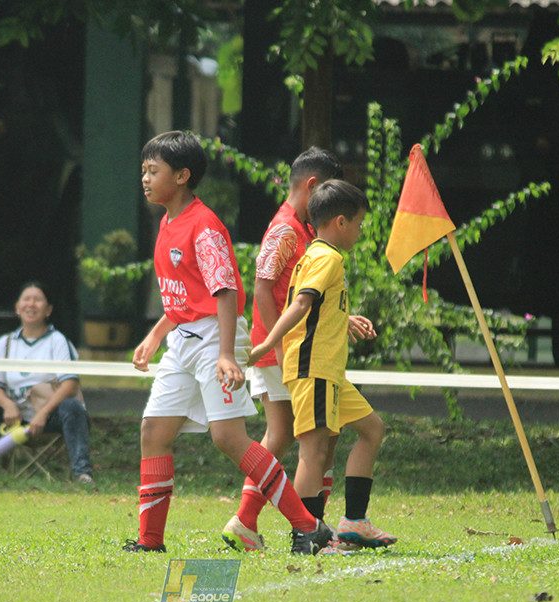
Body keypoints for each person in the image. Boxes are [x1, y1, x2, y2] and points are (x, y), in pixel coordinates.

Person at [126, 130, 331, 555]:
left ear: (182, 176)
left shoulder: (204, 226)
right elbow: (187, 296)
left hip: (214, 338)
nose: (145, 178)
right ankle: (150, 541)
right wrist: (156, 335)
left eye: (153, 170)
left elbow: (226, 293)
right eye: (144, 170)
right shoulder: (167, 223)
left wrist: (225, 354)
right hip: (184, 340)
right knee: (153, 432)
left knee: (228, 438)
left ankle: (307, 526)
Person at [248, 179, 397, 552]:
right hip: (313, 369)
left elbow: (317, 307)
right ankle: (306, 535)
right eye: (359, 224)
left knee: (372, 429)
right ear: (341, 222)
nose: (360, 231)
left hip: (329, 372)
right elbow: (300, 305)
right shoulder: (327, 258)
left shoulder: (316, 254)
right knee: (312, 453)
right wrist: (268, 342)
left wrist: (344, 318)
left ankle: (354, 522)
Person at [221, 147, 350, 552]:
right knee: (304, 436)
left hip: (289, 346)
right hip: (283, 349)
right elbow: (262, 288)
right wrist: (274, 345)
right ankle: (304, 527)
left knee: (291, 435)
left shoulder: (300, 227)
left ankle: (249, 521)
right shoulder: (285, 229)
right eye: (327, 190)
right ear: (312, 186)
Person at [0, 281, 94, 483]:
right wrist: (8, 405)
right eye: (26, 299)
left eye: (38, 300)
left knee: (72, 407)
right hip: (14, 420)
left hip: (49, 417)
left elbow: (70, 385)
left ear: (48, 310)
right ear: (17, 307)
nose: (31, 304)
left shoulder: (58, 341)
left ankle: (83, 473)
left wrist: (43, 414)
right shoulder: (5, 343)